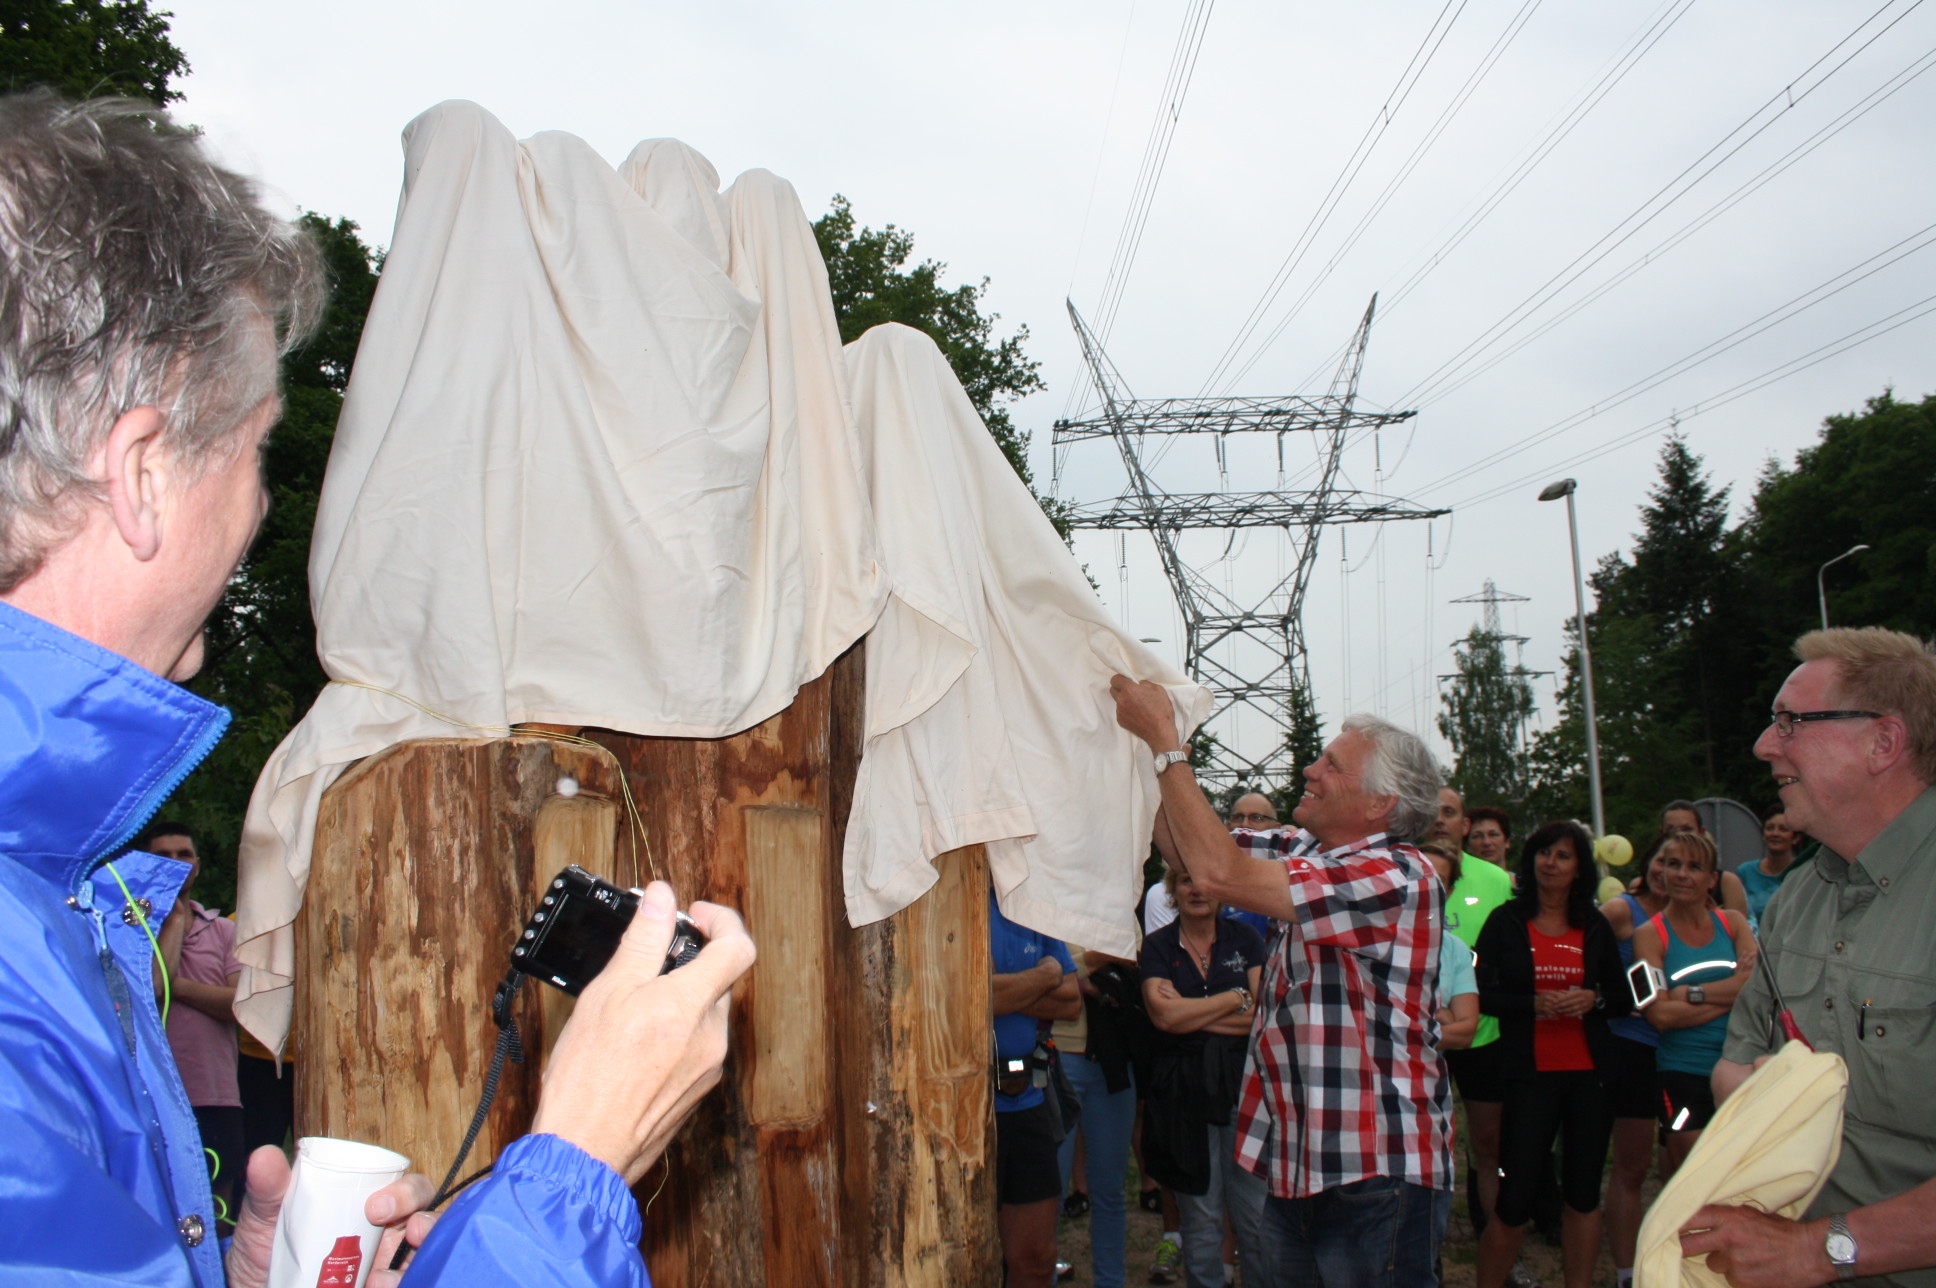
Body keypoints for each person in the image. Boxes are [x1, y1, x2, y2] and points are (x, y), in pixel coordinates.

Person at [0, 91, 755, 1287]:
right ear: (144, 471)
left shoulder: (48, 884)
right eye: (253, 448)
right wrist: (577, 1162)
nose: (257, 507)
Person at [1111, 676, 1450, 1288]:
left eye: (1332, 764)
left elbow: (1215, 871)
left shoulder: (1399, 875)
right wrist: (1133, 740)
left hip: (1374, 1171)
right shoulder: (1306, 849)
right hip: (1302, 1164)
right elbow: (1184, 847)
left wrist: (1165, 739)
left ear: (1380, 803)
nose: (1312, 770)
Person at [1683, 628, 1936, 1288]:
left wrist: (1825, 1249)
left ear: (1883, 742)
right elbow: (1733, 1067)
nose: (1766, 745)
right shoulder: (1799, 898)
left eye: (1791, 721)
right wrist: (1769, 1096)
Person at [1473, 820, 1633, 1288]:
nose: (1551, 863)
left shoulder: (1594, 923)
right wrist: (1533, 1005)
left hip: (1590, 1077)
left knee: (1583, 1195)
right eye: (1544, 853)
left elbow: (1622, 998)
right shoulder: (1505, 921)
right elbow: (1480, 993)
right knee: (1514, 1200)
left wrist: (1594, 1000)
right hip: (1529, 1076)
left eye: (1563, 855)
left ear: (1579, 866)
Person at [1139, 863, 1269, 1288]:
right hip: (1182, 1094)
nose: (1197, 890)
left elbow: (1260, 1017)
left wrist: (1188, 1014)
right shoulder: (1159, 945)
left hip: (1243, 1087)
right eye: (1186, 880)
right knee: (1202, 1215)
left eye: (1205, 880)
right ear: (1173, 889)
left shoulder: (1245, 938)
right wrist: (1235, 996)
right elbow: (1163, 1018)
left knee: (1255, 1215)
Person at [1632, 829, 1756, 1171]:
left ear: (1712, 879)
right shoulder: (1647, 935)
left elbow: (1758, 988)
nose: (1682, 874)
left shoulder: (1733, 923)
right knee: (1697, 1178)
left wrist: (1691, 993)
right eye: (1673, 864)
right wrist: (1734, 992)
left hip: (1742, 1065)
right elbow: (1659, 1015)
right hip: (1682, 1072)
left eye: (1694, 867)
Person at [142, 824, 247, 1228]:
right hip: (151, 1093)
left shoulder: (225, 931)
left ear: (198, 866)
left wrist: (178, 987)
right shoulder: (129, 930)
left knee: (217, 1214)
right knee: (157, 1211)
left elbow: (240, 1007)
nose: (175, 863)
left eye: (183, 855)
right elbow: (152, 989)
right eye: (162, 856)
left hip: (214, 1094)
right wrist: (171, 922)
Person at [1431, 790, 1517, 1252]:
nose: (1440, 820)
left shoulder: (1496, 878)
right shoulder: (1401, 870)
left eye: (1450, 812)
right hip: (1422, 1039)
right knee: (1428, 1143)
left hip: (1483, 1034)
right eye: (1433, 812)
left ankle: (1496, 1243)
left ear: (1466, 823)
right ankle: (1427, 1242)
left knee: (1489, 1145)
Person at [991, 890, 1081, 1288]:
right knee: (968, 1254)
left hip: (1027, 1100)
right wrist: (1044, 976)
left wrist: (1002, 992)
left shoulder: (1032, 904)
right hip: (958, 1110)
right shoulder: (953, 902)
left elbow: (1071, 1002)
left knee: (1036, 1259)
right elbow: (967, 995)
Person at [1598, 835, 1672, 1288]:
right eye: (1663, 860)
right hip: (1631, 1048)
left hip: (1687, 1052)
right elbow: (1581, 950)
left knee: (1677, 1167)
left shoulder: (1712, 919)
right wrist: (1616, 1001)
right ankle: (1627, 1273)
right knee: (1632, 1166)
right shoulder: (1625, 910)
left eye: (1685, 864)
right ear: (1648, 863)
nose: (1672, 872)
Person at [1052, 940, 1139, 1288]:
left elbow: (1133, 952)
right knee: (1050, 1191)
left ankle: (1111, 1281)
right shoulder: (1044, 899)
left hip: (1113, 1060)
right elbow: (1047, 973)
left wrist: (1078, 970)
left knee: (1110, 1190)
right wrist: (1100, 958)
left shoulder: (1116, 895)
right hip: (1058, 1054)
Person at [1660, 799, 1749, 917]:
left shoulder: (1727, 883)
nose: (1679, 836)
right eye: (1671, 831)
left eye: (1687, 829)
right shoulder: (1650, 882)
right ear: (1661, 834)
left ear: (1701, 832)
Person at [1737, 806, 1807, 926]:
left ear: (1796, 838)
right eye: (1770, 828)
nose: (1775, 833)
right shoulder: (1745, 872)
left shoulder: (1804, 873)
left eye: (1783, 829)